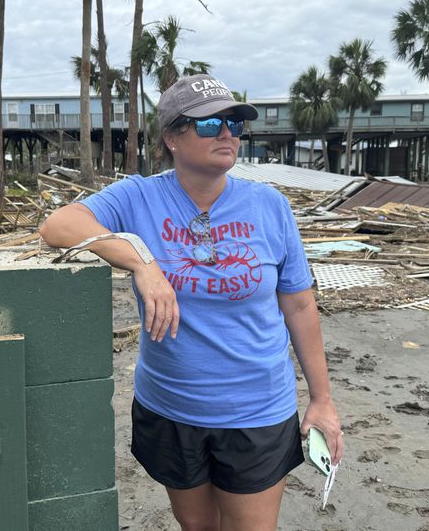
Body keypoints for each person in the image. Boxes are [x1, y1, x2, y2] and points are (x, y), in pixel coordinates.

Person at [40, 73, 343, 531]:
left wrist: (321, 399)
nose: (226, 134)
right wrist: (143, 261)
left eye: (234, 124)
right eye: (208, 124)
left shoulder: (269, 206)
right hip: (170, 408)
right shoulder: (139, 196)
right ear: (172, 138)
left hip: (256, 412)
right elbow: (59, 225)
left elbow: (299, 307)